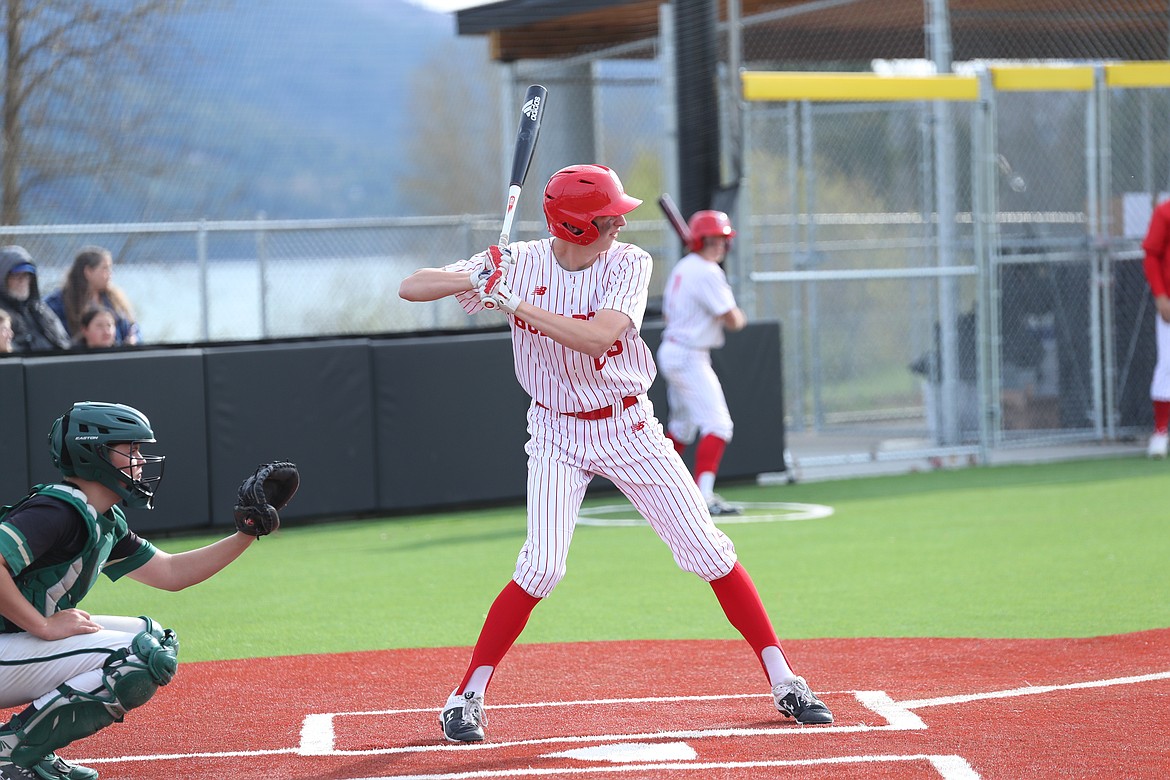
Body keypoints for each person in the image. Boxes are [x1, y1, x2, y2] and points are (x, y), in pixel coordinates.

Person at [398, 164, 832, 745]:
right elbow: (412, 286)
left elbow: (599, 336)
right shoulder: (519, 262)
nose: (619, 227)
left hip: (630, 426)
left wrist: (517, 307)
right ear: (576, 226)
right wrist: (476, 277)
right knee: (542, 566)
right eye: (608, 220)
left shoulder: (629, 263)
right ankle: (466, 696)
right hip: (555, 432)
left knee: (706, 550)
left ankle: (785, 680)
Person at [0, 402, 276, 780]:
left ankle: (33, 749)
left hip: (10, 646)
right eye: (130, 450)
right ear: (93, 452)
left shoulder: (101, 518)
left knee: (153, 639)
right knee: (138, 658)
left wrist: (247, 531)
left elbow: (171, 572)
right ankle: (9, 752)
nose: (141, 460)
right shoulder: (57, 510)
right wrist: (43, 627)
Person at [657, 209, 747, 515]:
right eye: (714, 240)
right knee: (719, 424)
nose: (719, 246)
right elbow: (734, 320)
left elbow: (671, 314)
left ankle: (658, 492)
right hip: (688, 355)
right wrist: (736, 315)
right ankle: (703, 496)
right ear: (701, 241)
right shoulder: (708, 272)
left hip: (675, 349)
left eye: (722, 240)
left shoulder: (685, 266)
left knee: (681, 428)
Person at [44, 247, 140, 346]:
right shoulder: (58, 302)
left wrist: (133, 339)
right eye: (105, 268)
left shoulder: (114, 300)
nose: (110, 274)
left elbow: (132, 327)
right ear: (88, 271)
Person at [0, 247, 71, 354]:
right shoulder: (2, 315)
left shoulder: (40, 309)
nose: (22, 281)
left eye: (26, 275)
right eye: (16, 276)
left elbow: (63, 342)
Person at [1142, 197, 1170, 458]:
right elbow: (1151, 255)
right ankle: (1160, 432)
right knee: (1168, 365)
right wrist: (1161, 295)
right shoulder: (1165, 211)